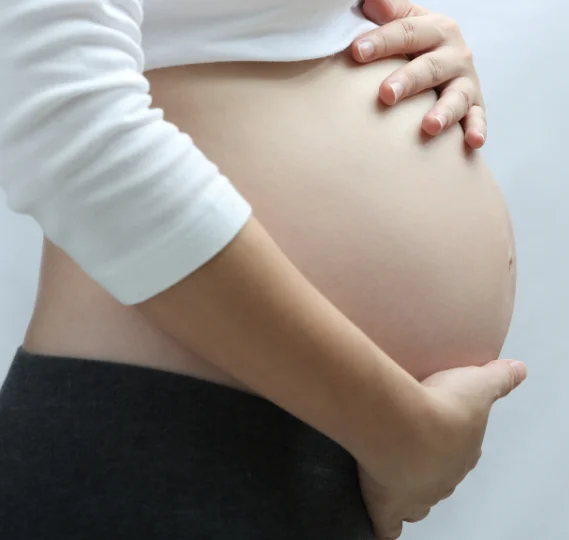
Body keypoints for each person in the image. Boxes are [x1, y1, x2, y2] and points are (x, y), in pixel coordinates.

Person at [0, 0, 527, 538]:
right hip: (167, 439)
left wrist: (403, 36)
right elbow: (63, 121)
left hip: (323, 444)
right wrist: (402, 434)